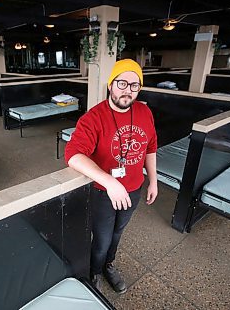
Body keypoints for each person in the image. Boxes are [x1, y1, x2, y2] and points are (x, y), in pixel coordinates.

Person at [64, 59, 158, 294]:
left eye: (134, 85)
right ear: (111, 84)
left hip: (134, 189)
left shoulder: (144, 111)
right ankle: (94, 272)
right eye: (122, 83)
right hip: (102, 193)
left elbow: (151, 147)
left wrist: (153, 180)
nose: (127, 90)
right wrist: (109, 181)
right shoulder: (93, 118)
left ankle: (108, 264)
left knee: (118, 233)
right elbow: (72, 155)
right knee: (103, 239)